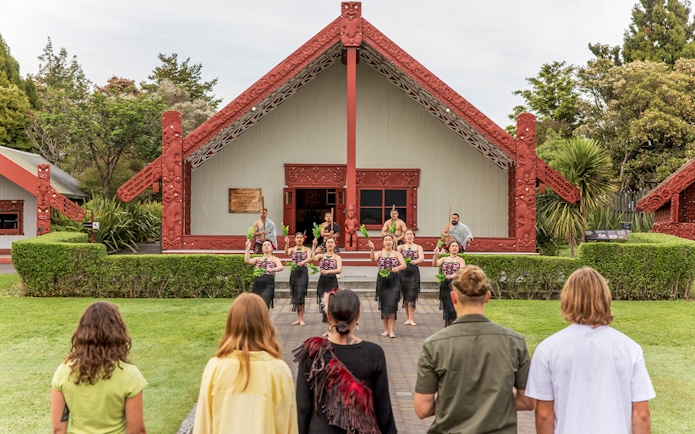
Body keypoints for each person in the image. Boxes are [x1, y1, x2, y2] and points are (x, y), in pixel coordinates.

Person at [525, 267, 656, 434]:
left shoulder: (548, 349)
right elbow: (641, 414)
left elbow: (544, 414)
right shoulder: (629, 348)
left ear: (567, 299)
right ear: (605, 298)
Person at [414, 265, 534, 433]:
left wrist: (454, 400)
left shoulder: (434, 345)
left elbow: (422, 408)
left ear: (453, 298)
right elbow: (527, 401)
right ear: (487, 297)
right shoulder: (514, 342)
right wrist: (494, 400)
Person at [294, 288, 397, 434]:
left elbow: (303, 407)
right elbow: (383, 408)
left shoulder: (312, 352)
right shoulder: (374, 353)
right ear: (358, 315)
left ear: (328, 315)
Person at [193, 293, 298, 434]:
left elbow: (203, 424)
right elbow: (287, 426)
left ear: (231, 323)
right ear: (265, 324)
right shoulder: (278, 370)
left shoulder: (215, 367)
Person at [51, 301, 147, 434]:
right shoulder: (130, 375)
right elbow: (137, 431)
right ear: (118, 333)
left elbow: (58, 430)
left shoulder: (64, 371)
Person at [368, 234, 406, 338]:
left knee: (392, 304)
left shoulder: (397, 253)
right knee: (384, 305)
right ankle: (385, 329)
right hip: (382, 281)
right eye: (386, 240)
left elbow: (404, 265)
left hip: (394, 281)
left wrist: (397, 268)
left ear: (393, 242)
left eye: (390, 240)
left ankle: (392, 330)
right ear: (383, 242)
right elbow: (373, 259)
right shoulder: (380, 253)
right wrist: (372, 249)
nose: (388, 242)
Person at [432, 240, 466, 326]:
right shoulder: (444, 259)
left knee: (454, 306)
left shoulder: (460, 260)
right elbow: (435, 264)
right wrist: (436, 254)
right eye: (453, 246)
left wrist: (453, 275)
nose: (454, 248)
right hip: (445, 284)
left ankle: (455, 324)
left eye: (456, 246)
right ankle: (447, 325)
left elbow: (462, 271)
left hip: (456, 285)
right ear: (449, 248)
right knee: (447, 305)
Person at [311, 237, 342, 324]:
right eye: (328, 242)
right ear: (325, 244)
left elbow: (339, 270)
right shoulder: (321, 256)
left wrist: (328, 271)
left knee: (332, 304)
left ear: (335, 244)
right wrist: (313, 246)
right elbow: (313, 258)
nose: (330, 244)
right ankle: (328, 327)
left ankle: (333, 325)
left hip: (332, 280)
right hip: (322, 281)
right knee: (324, 304)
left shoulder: (337, 257)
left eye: (332, 242)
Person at [245, 239, 284, 308]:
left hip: (268, 283)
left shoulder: (274, 259)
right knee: (257, 304)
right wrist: (247, 248)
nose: (266, 246)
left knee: (265, 302)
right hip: (258, 283)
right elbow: (247, 261)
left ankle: (265, 318)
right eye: (264, 245)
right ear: (262, 248)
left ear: (272, 248)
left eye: (268, 245)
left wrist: (272, 269)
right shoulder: (258, 259)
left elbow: (280, 267)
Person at [398, 228, 424, 326]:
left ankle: (411, 318)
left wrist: (415, 261)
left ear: (413, 236)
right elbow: (396, 254)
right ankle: (407, 318)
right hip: (403, 273)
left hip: (414, 272)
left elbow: (422, 258)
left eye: (411, 234)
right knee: (405, 295)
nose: (409, 236)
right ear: (404, 237)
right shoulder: (401, 247)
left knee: (412, 294)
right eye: (407, 234)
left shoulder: (418, 247)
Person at [285, 232, 311, 326]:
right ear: (295, 239)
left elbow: (310, 258)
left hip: (303, 271)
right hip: (294, 271)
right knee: (296, 294)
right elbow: (286, 253)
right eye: (297, 238)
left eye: (301, 237)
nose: (299, 239)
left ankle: (302, 318)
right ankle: (298, 318)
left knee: (301, 293)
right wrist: (287, 244)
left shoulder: (307, 249)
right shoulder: (292, 249)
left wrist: (303, 262)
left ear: (303, 239)